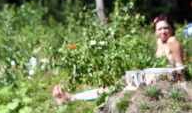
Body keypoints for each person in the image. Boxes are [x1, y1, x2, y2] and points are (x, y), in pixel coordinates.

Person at [53, 13, 185, 104]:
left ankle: (72, 98)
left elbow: (180, 67)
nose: (163, 32)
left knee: (116, 88)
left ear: (172, 29)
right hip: (153, 79)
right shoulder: (159, 42)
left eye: (166, 28)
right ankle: (73, 98)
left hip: (166, 81)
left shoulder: (173, 41)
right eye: (160, 29)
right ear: (155, 31)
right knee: (113, 86)